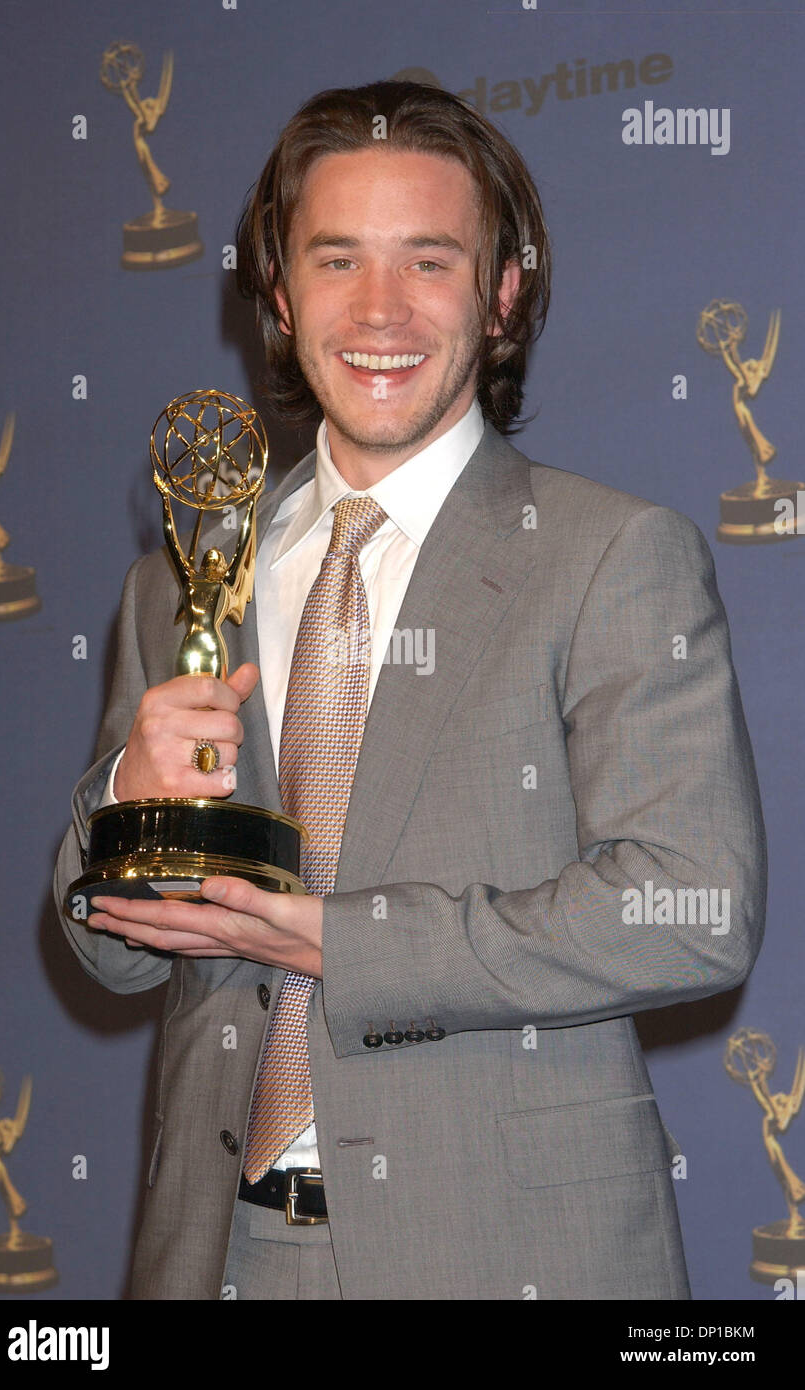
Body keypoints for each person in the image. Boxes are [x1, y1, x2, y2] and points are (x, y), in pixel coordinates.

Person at [53, 80, 766, 1301]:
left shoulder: (609, 555)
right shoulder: (174, 589)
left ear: (500, 295)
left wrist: (341, 941)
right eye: (335, 261)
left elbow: (690, 906)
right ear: (278, 294)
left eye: (426, 262)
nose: (377, 310)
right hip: (215, 1251)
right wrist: (124, 798)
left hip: (506, 1255)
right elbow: (115, 957)